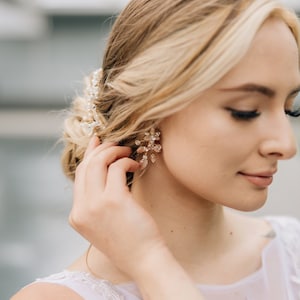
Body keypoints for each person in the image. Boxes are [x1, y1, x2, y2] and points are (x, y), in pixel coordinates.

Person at [11, 0, 300, 299]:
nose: (286, 146)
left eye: (291, 110)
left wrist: (150, 262)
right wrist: (148, 261)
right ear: (147, 109)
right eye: (246, 111)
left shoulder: (293, 256)